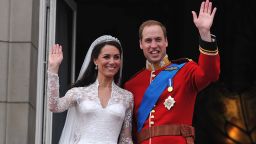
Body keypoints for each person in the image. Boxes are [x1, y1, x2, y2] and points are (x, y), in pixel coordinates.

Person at [124, 0, 220, 144]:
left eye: (158, 40)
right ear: (140, 44)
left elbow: (210, 74)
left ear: (166, 42)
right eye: (148, 41)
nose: (154, 45)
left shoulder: (185, 70)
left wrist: (204, 33)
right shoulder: (131, 85)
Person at [47, 35, 134, 144]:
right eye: (106, 57)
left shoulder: (127, 97)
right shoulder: (79, 92)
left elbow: (126, 139)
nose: (112, 62)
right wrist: (53, 69)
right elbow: (54, 106)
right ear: (95, 60)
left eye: (116, 57)